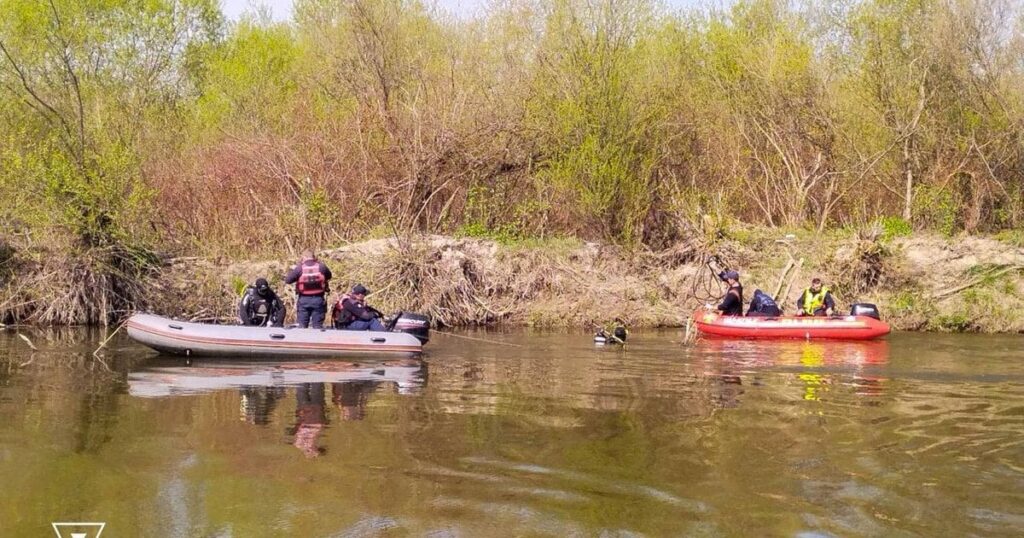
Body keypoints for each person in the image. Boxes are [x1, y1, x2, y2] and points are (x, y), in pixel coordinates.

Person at [284, 250, 333, 329]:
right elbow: (329, 276)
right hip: (318, 299)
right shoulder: (322, 267)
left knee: (302, 326)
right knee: (318, 326)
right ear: (314, 257)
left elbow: (288, 280)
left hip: (303, 299)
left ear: (304, 257)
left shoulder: (300, 268)